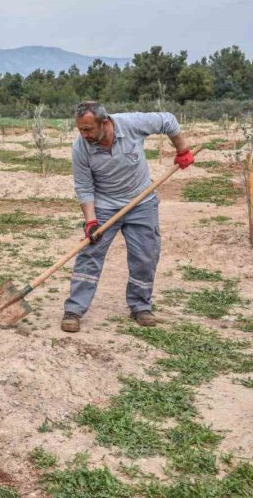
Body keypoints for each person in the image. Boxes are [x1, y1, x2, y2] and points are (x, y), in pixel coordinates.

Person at [62, 101, 194, 333]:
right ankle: (74, 309)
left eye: (88, 129)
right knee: (90, 253)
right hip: (104, 206)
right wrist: (91, 221)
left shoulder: (131, 124)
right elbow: (84, 186)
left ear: (105, 123)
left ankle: (140, 306)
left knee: (145, 256)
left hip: (141, 201)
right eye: (80, 130)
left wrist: (182, 149)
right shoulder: (80, 148)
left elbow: (168, 120)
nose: (84, 135)